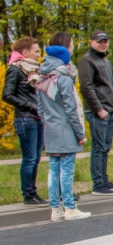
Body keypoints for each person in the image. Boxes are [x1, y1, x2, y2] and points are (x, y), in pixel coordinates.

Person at [34, 34, 91, 221]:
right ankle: (70, 206)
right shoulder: (63, 77)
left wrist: (48, 122)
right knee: (67, 169)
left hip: (50, 127)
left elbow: (40, 108)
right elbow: (71, 107)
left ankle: (55, 209)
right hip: (65, 127)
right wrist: (79, 132)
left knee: (53, 168)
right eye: (72, 46)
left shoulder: (42, 77)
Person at [78, 30, 113, 195]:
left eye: (105, 41)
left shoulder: (106, 61)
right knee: (99, 147)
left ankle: (104, 179)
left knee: (106, 147)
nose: (103, 44)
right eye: (100, 41)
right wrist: (98, 109)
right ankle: (98, 183)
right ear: (91, 42)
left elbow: (111, 87)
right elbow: (87, 87)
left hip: (109, 109)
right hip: (98, 111)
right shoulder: (87, 61)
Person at [3, 37, 47, 205]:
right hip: (25, 118)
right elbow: (7, 95)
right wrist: (29, 106)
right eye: (36, 51)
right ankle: (28, 194)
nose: (39, 54)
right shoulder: (15, 69)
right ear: (25, 52)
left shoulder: (35, 69)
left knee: (36, 157)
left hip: (37, 117)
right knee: (29, 157)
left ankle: (32, 192)